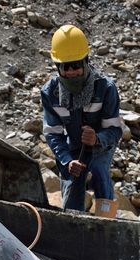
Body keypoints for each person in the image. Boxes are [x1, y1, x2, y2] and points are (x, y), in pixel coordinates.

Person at [41, 24, 122, 211]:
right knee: (72, 184)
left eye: (75, 66)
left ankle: (107, 223)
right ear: (57, 67)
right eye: (64, 67)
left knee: (99, 173)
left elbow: (114, 131)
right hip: (73, 147)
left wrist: (97, 139)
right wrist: (67, 160)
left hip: (101, 147)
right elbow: (53, 133)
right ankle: (73, 222)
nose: (70, 72)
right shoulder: (50, 93)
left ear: (86, 61)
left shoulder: (106, 88)